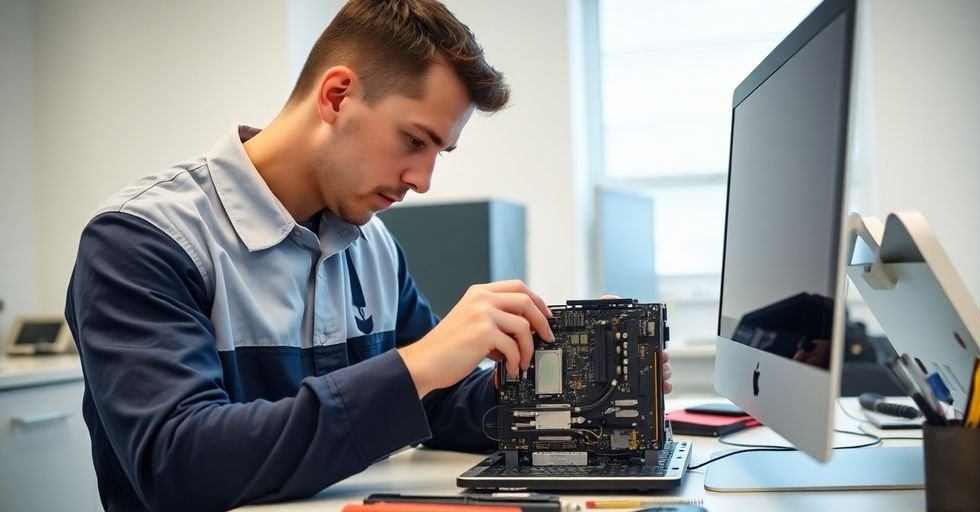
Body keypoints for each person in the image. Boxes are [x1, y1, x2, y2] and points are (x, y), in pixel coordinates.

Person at [65, 1, 673, 510]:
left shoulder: (372, 243)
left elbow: (432, 403)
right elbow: (181, 464)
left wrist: (567, 390)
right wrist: (420, 362)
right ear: (336, 96)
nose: (423, 179)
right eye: (414, 140)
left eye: (440, 152)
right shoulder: (141, 240)